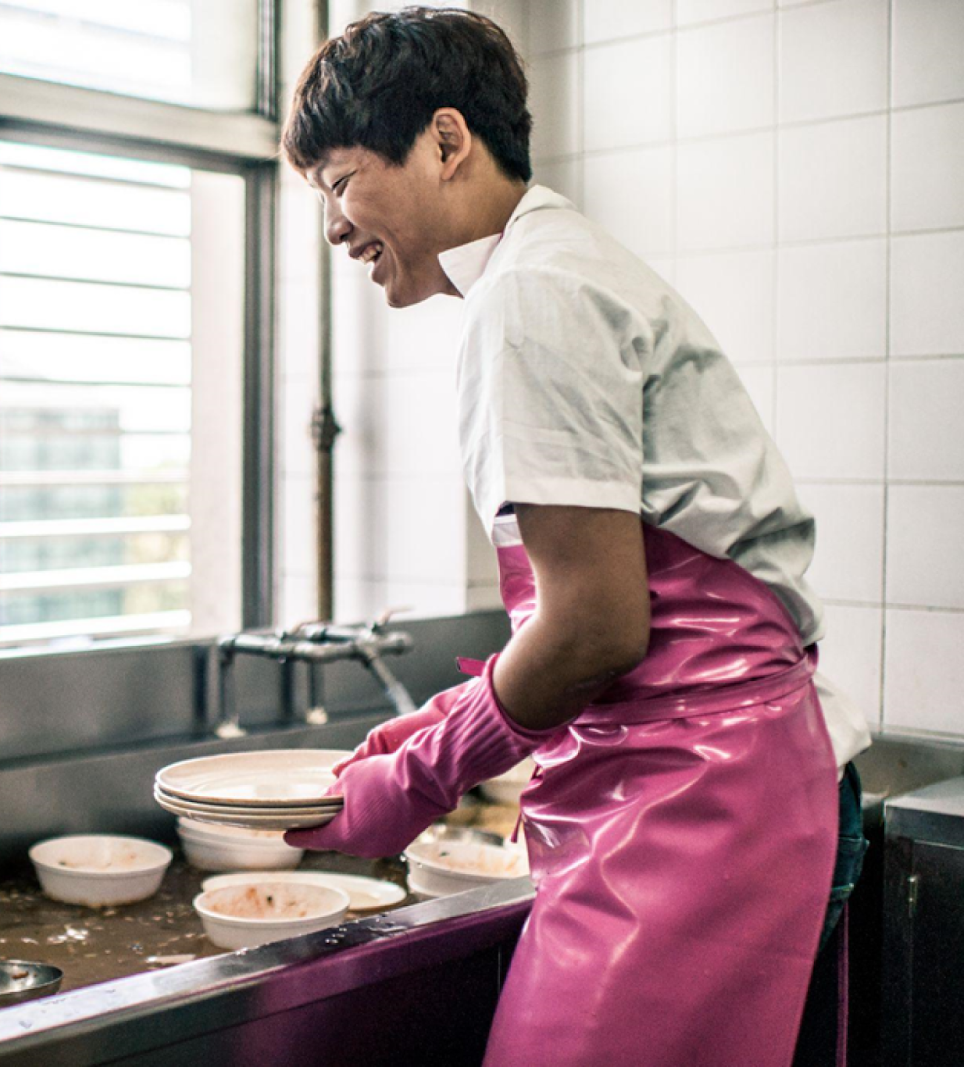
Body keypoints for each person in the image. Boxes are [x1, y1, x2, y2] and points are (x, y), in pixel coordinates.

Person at [279, 9, 871, 1066]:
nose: (331, 225)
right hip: (721, 782)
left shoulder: (531, 294)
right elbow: (603, 593)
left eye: (336, 180)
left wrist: (418, 782)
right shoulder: (557, 268)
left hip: (700, 804)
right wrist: (439, 720)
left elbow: (598, 626)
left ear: (446, 141)